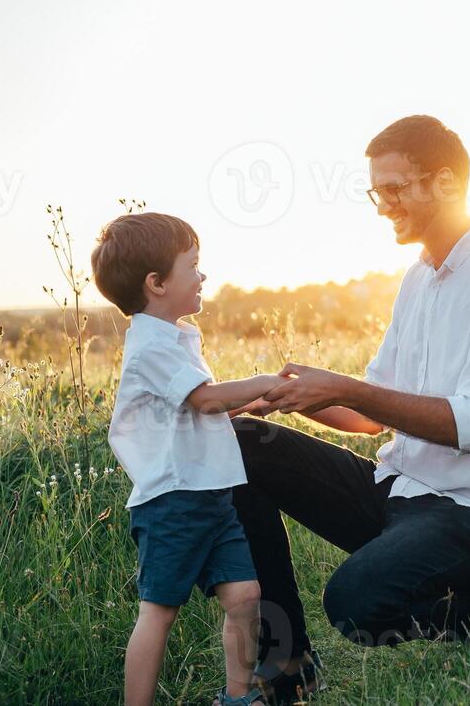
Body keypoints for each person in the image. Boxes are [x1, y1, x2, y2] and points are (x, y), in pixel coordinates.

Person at [231, 115, 470, 704]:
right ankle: (285, 668)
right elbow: (374, 416)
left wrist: (347, 387)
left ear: (447, 184)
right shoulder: (416, 279)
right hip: (402, 490)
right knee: (241, 442)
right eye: (376, 190)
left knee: (356, 604)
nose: (383, 204)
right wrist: (289, 397)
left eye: (395, 188)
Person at [92, 212, 282, 706]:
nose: (203, 276)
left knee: (244, 595)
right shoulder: (150, 345)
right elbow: (204, 400)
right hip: (173, 503)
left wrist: (247, 403)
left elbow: (202, 406)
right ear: (156, 284)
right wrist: (263, 381)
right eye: (193, 266)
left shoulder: (174, 339)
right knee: (159, 611)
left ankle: (237, 697)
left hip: (213, 498)